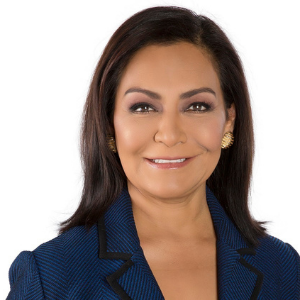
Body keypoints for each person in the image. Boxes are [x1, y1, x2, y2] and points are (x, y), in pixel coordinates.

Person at [7, 6, 300, 300]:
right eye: (143, 107)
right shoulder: (51, 277)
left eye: (197, 106)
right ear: (109, 124)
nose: (170, 135)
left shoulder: (282, 267)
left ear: (229, 119)